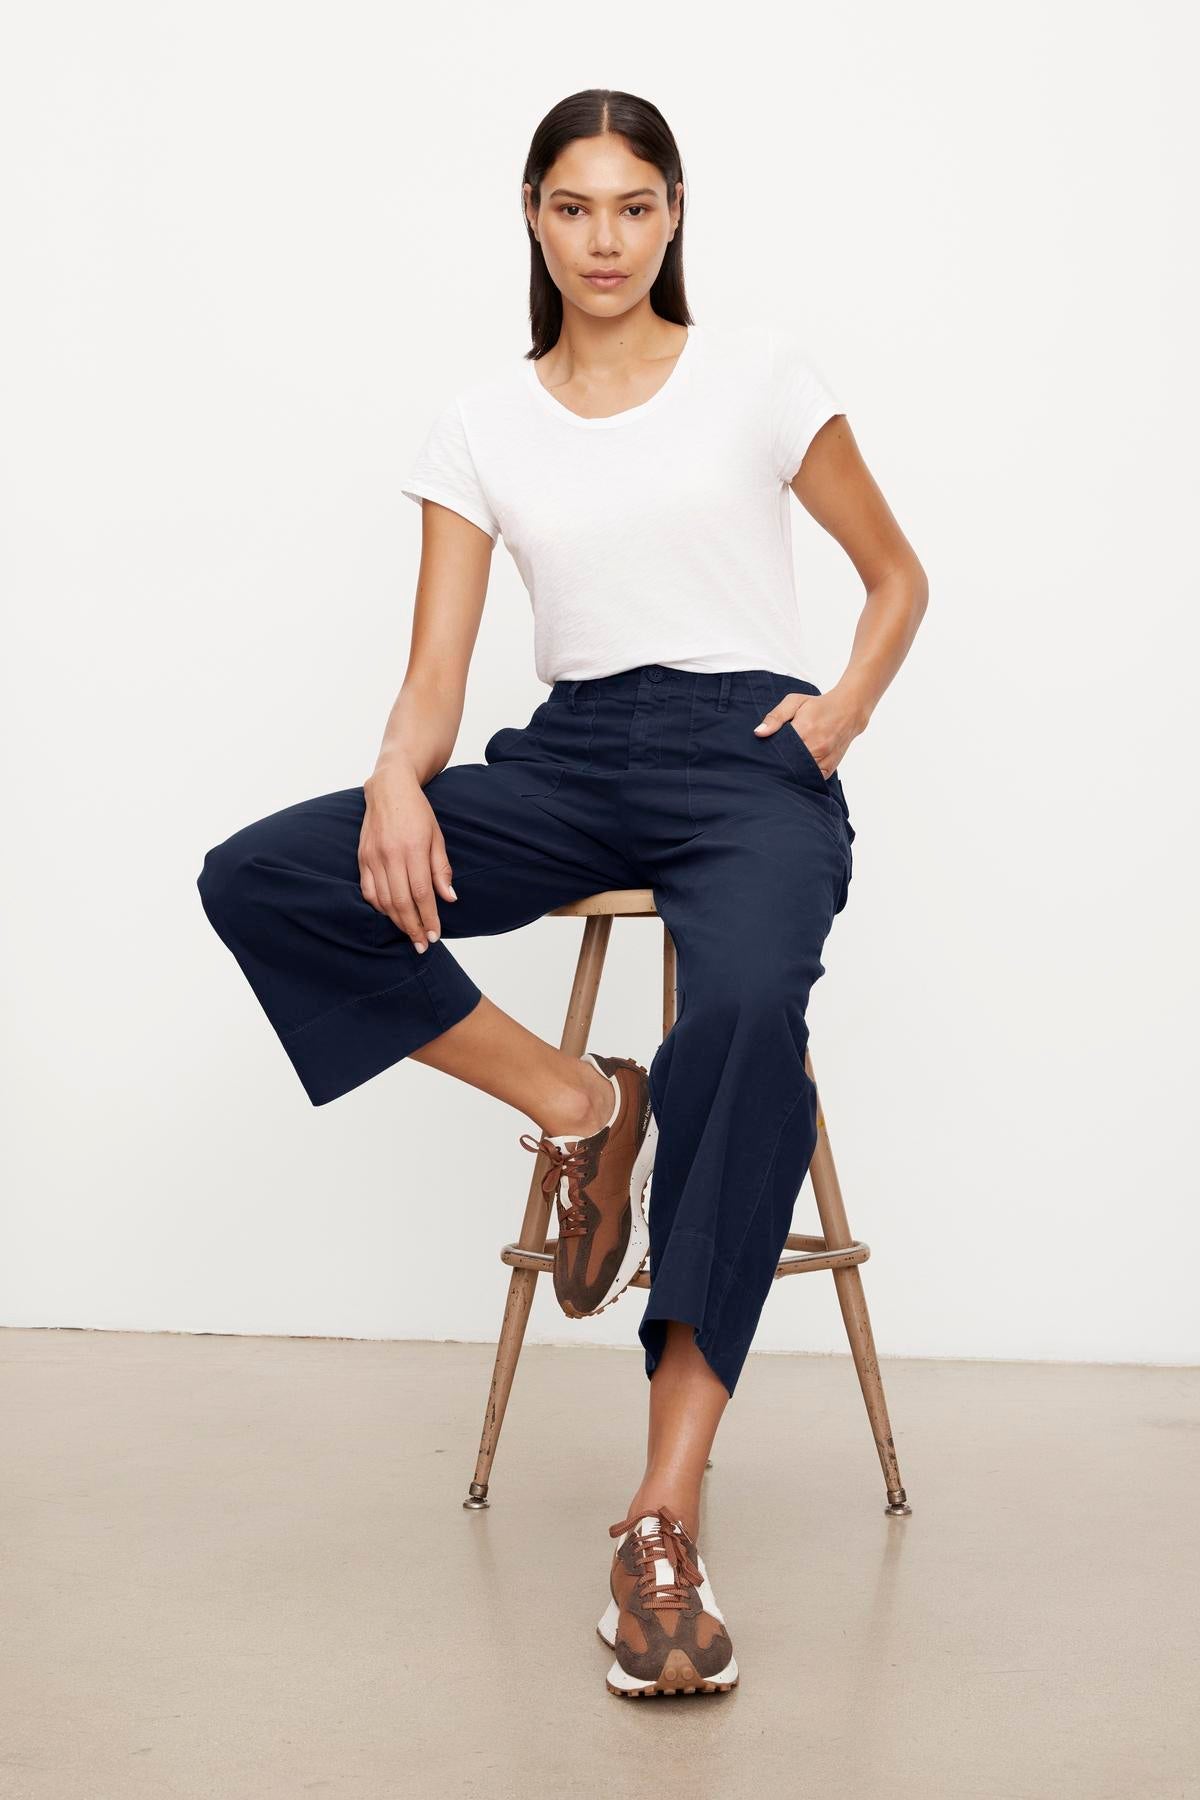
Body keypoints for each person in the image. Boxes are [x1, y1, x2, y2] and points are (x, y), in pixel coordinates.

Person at [196, 87, 929, 1699]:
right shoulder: (483, 422)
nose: (607, 238)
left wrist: (841, 713)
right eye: (576, 207)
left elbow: (897, 575)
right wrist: (398, 774)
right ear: (533, 216)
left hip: (748, 753)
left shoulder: (758, 377)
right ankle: (583, 1104)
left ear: (675, 218)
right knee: (261, 878)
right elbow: (435, 676)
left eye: (637, 207)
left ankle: (663, 1514)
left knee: (744, 1017)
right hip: (572, 753)